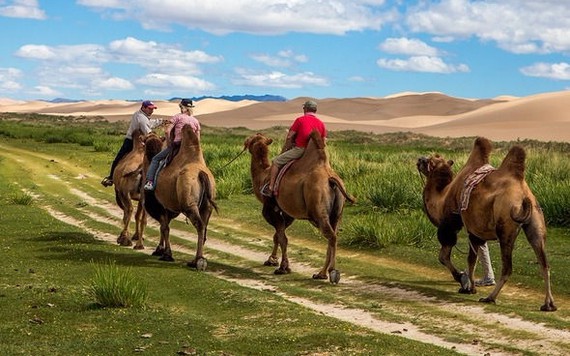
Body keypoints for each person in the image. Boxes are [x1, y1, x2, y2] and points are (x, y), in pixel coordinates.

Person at [260, 99, 326, 197]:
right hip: (315, 154)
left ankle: (271, 187)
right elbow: (324, 141)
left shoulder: (300, 120)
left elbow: (290, 136)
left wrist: (286, 148)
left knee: (276, 162)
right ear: (315, 110)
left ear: (305, 109)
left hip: (300, 150)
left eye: (304, 108)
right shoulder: (321, 123)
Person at [101, 100, 162, 187]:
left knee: (119, 158)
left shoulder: (140, 115)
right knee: (119, 157)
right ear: (143, 107)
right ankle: (112, 177)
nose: (152, 111)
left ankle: (110, 178)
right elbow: (147, 130)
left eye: (153, 109)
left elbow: (148, 123)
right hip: (131, 141)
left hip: (139, 140)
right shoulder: (141, 118)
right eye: (149, 109)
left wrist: (160, 121)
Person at [144, 98, 201, 191]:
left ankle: (150, 182)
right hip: (192, 149)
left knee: (155, 159)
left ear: (182, 107)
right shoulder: (196, 121)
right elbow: (198, 139)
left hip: (177, 146)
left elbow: (167, 131)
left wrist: (169, 142)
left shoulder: (177, 117)